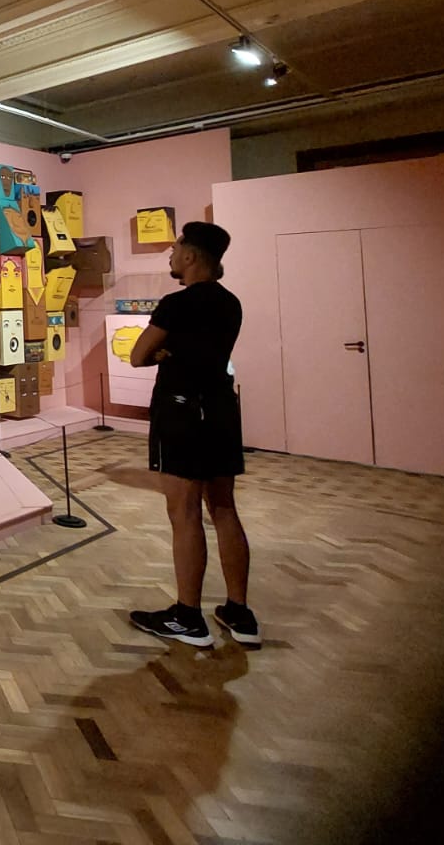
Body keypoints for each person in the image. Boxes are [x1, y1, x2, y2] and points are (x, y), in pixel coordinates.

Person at [127, 221, 260, 648]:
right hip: (220, 407)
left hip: (182, 412)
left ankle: (188, 616)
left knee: (183, 513)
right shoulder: (230, 303)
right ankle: (239, 611)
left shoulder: (176, 303)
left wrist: (163, 353)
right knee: (223, 508)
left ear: (190, 255)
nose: (171, 254)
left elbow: (138, 354)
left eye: (176, 248)